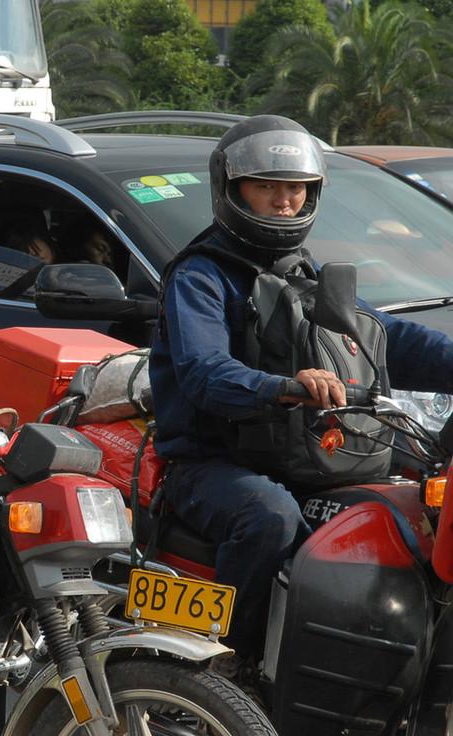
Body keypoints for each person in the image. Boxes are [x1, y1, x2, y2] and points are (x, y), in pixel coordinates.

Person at [149, 115, 453, 668]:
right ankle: (223, 667)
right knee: (269, 516)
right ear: (232, 187)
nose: (285, 200)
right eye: (267, 186)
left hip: (299, 450)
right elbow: (203, 370)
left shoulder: (300, 271)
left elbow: (384, 338)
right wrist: (284, 388)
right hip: (212, 462)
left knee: (419, 495)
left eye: (296, 188)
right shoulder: (201, 275)